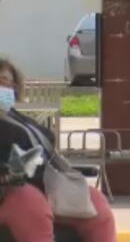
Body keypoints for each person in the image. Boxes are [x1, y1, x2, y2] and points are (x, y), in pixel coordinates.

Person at [0, 58, 116, 242]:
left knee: (95, 202)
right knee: (30, 203)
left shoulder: (19, 118)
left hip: (45, 185)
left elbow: (49, 152)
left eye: (7, 82)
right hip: (10, 191)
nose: (4, 87)